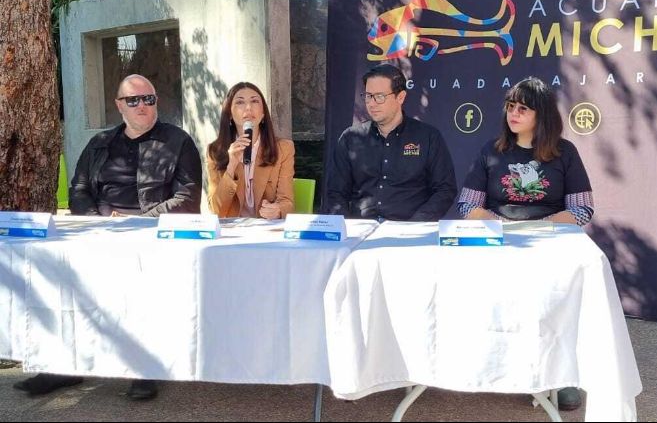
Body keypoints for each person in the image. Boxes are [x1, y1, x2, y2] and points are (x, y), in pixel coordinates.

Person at [13, 74, 202, 401]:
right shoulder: (100, 143)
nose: (142, 105)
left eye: (149, 99)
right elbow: (80, 189)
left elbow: (187, 200)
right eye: (134, 100)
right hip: (98, 231)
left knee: (139, 287)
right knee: (58, 276)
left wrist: (135, 222)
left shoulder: (177, 141)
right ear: (119, 105)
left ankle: (144, 367)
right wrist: (96, 221)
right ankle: (63, 366)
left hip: (150, 236)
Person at [457, 76, 594, 410]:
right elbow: (467, 205)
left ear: (541, 114)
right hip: (498, 241)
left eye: (522, 108)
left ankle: (561, 378)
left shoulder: (565, 153)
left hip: (548, 243)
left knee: (554, 302)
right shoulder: (491, 150)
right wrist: (501, 226)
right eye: (510, 107)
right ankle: (491, 363)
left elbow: (582, 208)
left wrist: (539, 227)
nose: (513, 114)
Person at [325, 64, 457, 221]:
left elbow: (445, 189)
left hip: (410, 232)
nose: (371, 104)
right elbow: (335, 192)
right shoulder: (351, 137)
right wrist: (345, 227)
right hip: (360, 230)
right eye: (368, 96)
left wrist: (415, 224)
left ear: (400, 97)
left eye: (379, 97)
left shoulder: (428, 137)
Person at [206, 82, 294, 218]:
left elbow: (287, 203)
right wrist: (231, 166)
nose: (248, 108)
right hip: (233, 233)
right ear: (229, 113)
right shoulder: (215, 151)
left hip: (267, 229)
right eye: (240, 102)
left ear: (263, 113)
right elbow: (216, 211)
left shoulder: (283, 149)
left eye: (254, 101)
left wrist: (278, 210)